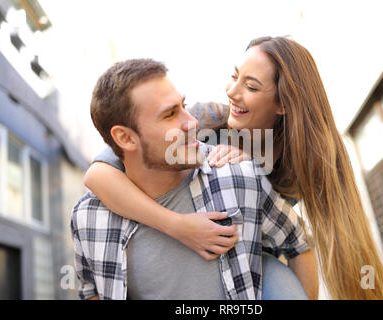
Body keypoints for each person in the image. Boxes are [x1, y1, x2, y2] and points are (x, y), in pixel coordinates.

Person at [84, 36, 383, 299]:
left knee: (276, 277)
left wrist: (249, 166)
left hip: (257, 255)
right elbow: (97, 175)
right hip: (199, 244)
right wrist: (177, 225)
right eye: (235, 75)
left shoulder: (304, 159)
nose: (231, 91)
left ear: (283, 105)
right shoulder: (203, 119)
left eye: (251, 86)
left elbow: (318, 238)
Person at [71, 58, 316, 300]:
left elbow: (299, 243)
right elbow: (91, 289)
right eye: (169, 114)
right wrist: (175, 224)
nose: (193, 123)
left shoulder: (238, 175)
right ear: (125, 138)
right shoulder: (88, 217)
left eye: (183, 106)